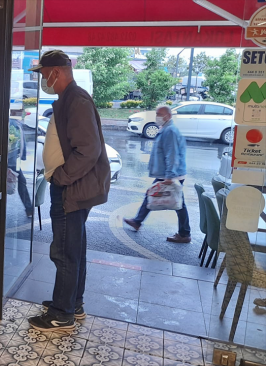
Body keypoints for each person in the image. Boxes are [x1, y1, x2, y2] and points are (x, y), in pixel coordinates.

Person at [27, 50, 111, 332]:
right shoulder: (69, 99)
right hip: (70, 187)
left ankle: (61, 314)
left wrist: (61, 178)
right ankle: (72, 302)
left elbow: (88, 150)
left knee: (64, 252)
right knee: (73, 249)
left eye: (43, 74)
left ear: (57, 73)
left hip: (71, 189)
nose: (42, 80)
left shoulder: (76, 100)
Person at [123, 106, 191, 243]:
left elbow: (172, 154)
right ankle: (138, 221)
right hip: (168, 173)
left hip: (171, 174)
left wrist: (169, 176)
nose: (157, 116)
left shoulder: (170, 131)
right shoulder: (166, 129)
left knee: (178, 203)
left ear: (168, 116)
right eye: (157, 113)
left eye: (160, 114)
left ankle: (184, 234)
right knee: (163, 198)